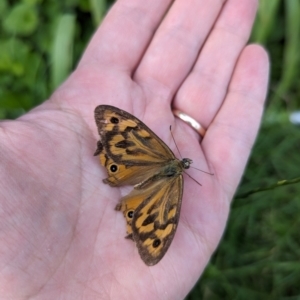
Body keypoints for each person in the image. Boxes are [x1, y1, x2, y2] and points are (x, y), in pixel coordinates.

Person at [0, 0, 269, 298]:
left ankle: (127, 191)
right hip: (154, 188)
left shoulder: (169, 159)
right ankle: (132, 206)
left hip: (140, 167)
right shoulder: (176, 176)